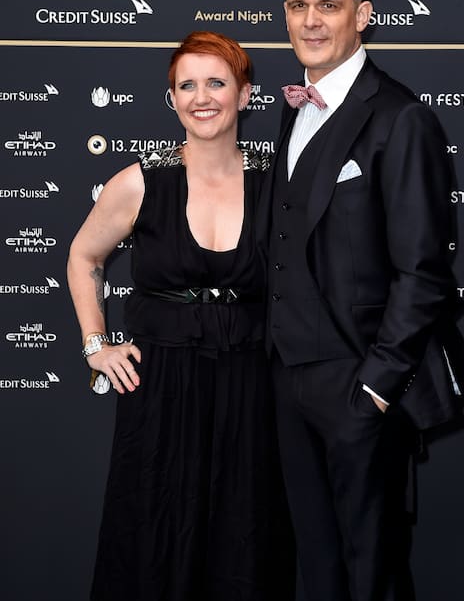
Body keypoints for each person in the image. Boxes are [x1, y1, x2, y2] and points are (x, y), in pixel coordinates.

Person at [259, 0, 464, 601]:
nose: (311, 20)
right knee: (316, 571)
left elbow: (423, 272)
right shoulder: (293, 109)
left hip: (361, 388)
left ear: (364, 16)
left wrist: (374, 391)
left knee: (371, 574)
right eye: (298, 5)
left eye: (329, 4)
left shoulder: (402, 118)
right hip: (288, 382)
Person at [67, 31, 294, 601]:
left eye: (217, 82)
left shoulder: (279, 184)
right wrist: (97, 344)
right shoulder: (140, 182)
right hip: (160, 387)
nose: (202, 97)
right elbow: (83, 256)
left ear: (245, 95)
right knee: (153, 536)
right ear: (172, 100)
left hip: (253, 386)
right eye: (186, 85)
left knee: (247, 538)